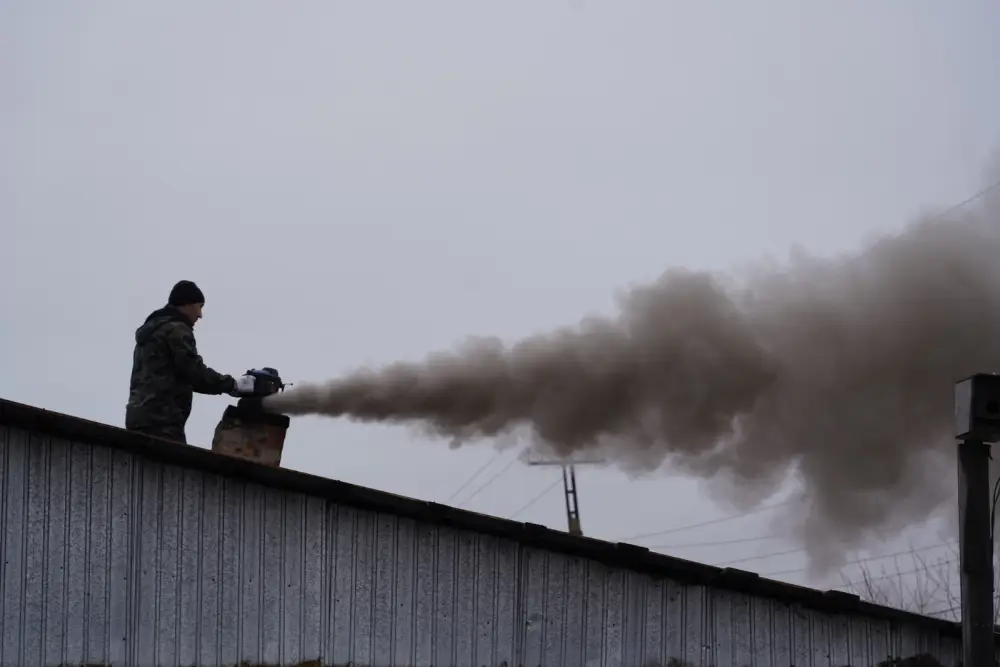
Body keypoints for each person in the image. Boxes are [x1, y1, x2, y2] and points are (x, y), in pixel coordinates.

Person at [125, 280, 254, 444]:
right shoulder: (176, 329)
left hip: (139, 418)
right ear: (187, 304)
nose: (200, 315)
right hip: (163, 422)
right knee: (172, 468)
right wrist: (234, 384)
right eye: (199, 306)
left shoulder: (151, 332)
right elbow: (194, 372)